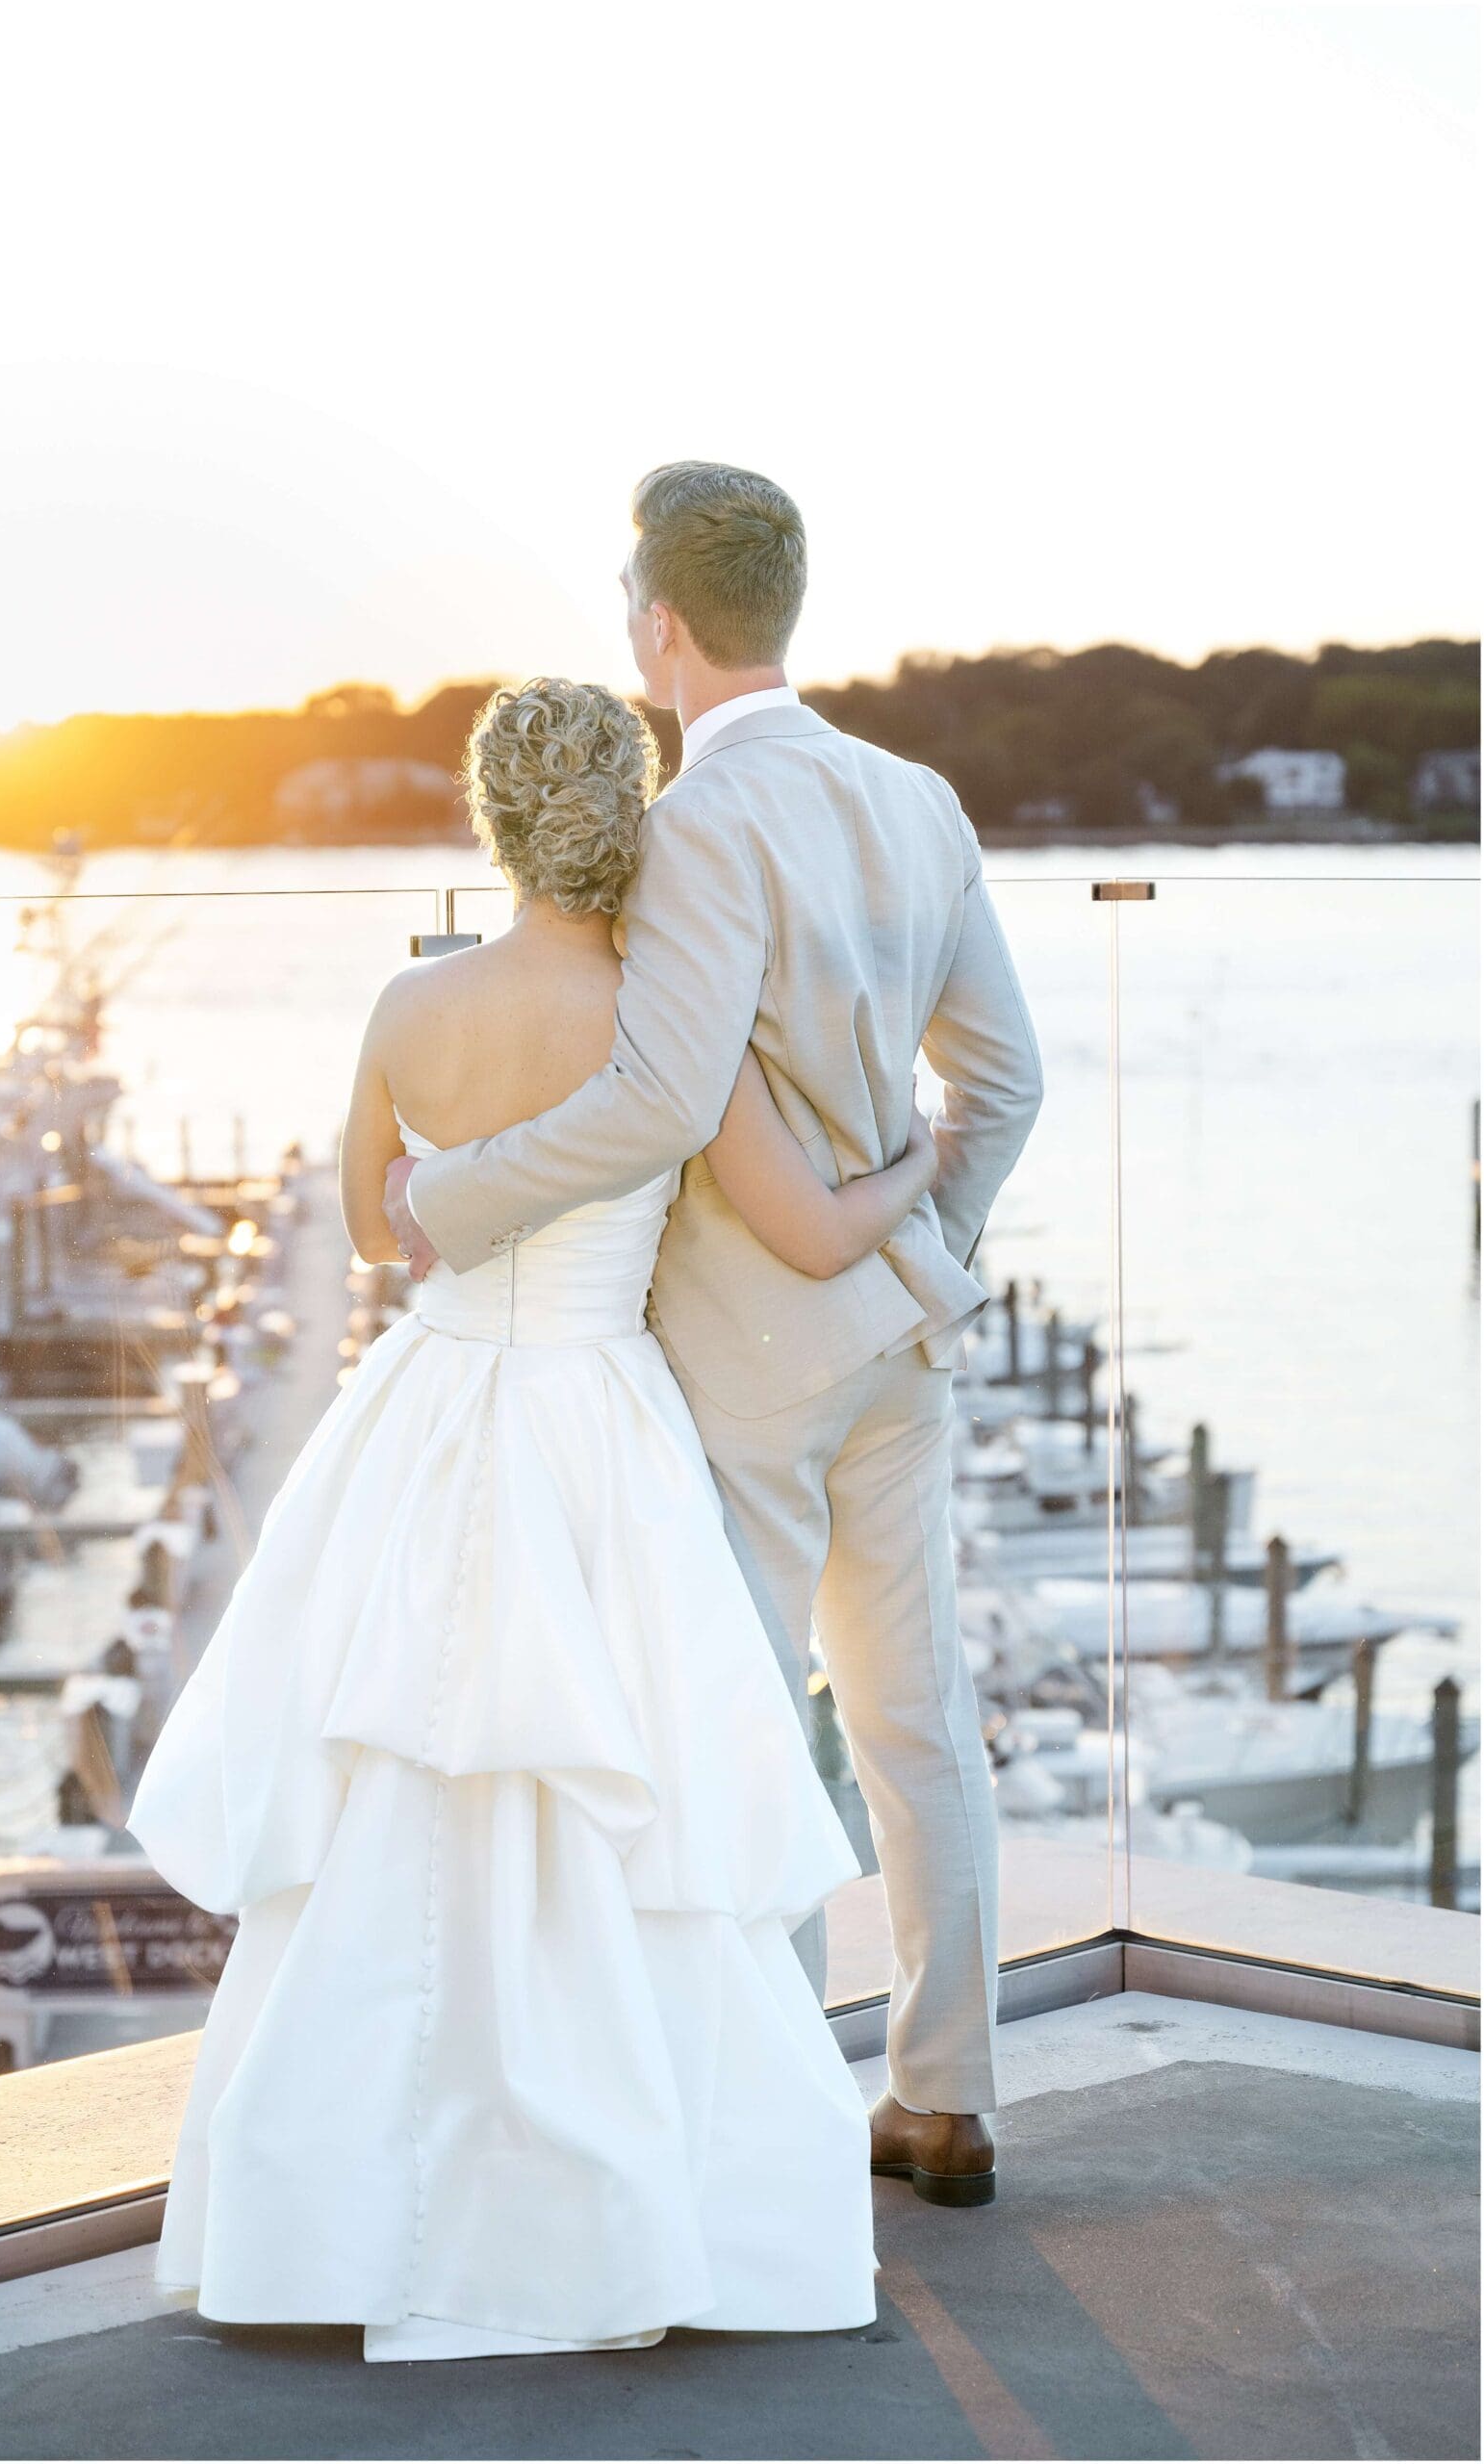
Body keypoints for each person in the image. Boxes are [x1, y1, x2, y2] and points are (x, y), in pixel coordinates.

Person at [128, 676, 950, 2361]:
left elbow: (372, 1231)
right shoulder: (671, 1009)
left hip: (432, 1408)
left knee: (396, 1794)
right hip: (600, 1419)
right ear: (629, 819)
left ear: (491, 821)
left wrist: (453, 1190)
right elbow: (801, 1236)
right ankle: (616, 2224)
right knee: (612, 1822)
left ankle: (339, 2226)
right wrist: (922, 1169)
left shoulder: (404, 1004)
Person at [387, 461, 1044, 2212]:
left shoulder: (692, 830)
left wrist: (454, 1197)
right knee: (918, 1719)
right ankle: (947, 2099)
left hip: (750, 1360)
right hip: (899, 1334)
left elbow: (662, 1095)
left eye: (628, 611)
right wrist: (918, 1241)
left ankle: (765, 2114)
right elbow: (1008, 1080)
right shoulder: (915, 797)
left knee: (747, 1730)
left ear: (661, 625)